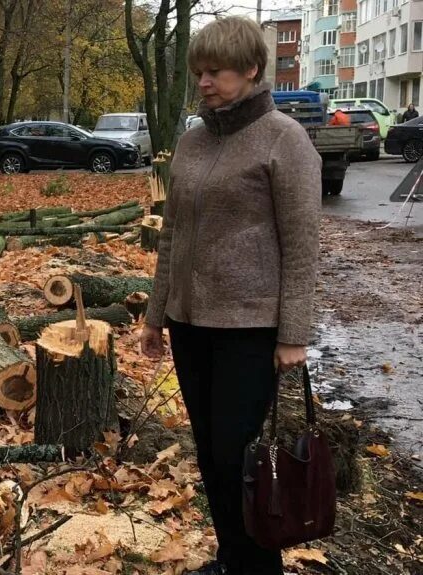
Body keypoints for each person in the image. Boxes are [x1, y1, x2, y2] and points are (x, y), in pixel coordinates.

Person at [140, 16, 321, 575]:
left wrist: (293, 334)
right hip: (190, 325)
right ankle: (231, 560)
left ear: (250, 69)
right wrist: (155, 316)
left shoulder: (283, 139)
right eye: (198, 72)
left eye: (214, 71)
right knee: (211, 458)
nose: (204, 82)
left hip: (249, 329)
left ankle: (256, 568)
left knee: (238, 458)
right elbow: (170, 234)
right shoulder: (193, 141)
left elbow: (302, 243)